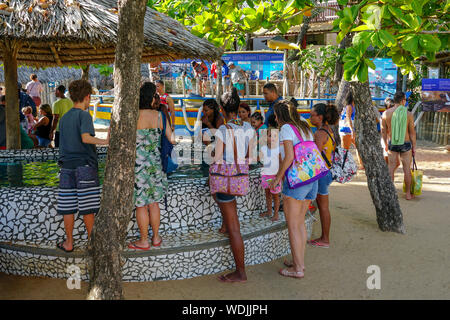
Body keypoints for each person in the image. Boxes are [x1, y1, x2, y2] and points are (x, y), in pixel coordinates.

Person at [56, 79, 109, 253]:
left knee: (68, 207)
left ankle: (69, 243)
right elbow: (86, 138)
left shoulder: (64, 119)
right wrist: (106, 141)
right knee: (88, 208)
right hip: (84, 167)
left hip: (66, 168)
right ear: (87, 97)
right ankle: (91, 244)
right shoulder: (84, 115)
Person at [270, 99, 316, 279]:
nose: (274, 117)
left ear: (280, 115)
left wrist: (277, 178)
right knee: (300, 224)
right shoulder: (304, 125)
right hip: (312, 176)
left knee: (293, 225)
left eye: (275, 114)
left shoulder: (286, 129)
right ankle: (299, 262)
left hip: (296, 180)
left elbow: (289, 157)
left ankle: (297, 269)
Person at [213, 87, 256, 283]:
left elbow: (218, 158)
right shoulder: (248, 128)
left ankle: (240, 272)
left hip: (226, 178)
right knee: (230, 213)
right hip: (239, 178)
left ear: (222, 109)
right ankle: (225, 223)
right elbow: (251, 156)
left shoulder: (223, 129)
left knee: (234, 228)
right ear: (238, 107)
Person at [128, 82, 174, 250]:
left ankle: (143, 240)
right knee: (154, 203)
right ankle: (155, 238)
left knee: (141, 204)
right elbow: (171, 138)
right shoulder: (159, 116)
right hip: (155, 165)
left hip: (138, 165)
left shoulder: (132, 116)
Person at [308, 103, 339, 248]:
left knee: (323, 207)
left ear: (320, 117)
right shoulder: (328, 130)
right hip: (326, 172)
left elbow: (315, 157)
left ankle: (325, 239)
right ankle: (324, 237)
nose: (310, 118)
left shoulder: (320, 133)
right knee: (323, 207)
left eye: (312, 115)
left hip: (320, 174)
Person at [381, 91, 416, 200]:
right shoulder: (408, 114)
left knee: (391, 168)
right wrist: (414, 146)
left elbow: (383, 131)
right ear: (402, 101)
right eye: (405, 100)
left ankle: (391, 194)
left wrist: (385, 144)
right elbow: (412, 132)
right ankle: (408, 194)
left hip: (393, 143)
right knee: (406, 169)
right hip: (405, 144)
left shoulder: (386, 113)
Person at [259, 126, 281, 221]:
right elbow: (262, 161)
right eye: (270, 135)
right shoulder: (263, 149)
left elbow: (281, 163)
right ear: (265, 137)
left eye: (275, 136)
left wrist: (278, 177)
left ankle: (276, 214)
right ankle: (269, 211)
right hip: (265, 175)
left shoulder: (278, 150)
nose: (272, 138)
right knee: (267, 194)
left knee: (275, 196)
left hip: (275, 176)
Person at [339, 92, 363, 169]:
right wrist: (352, 130)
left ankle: (361, 164)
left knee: (358, 147)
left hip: (349, 129)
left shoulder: (352, 106)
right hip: (346, 129)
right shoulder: (349, 106)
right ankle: (343, 166)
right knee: (345, 149)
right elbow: (348, 118)